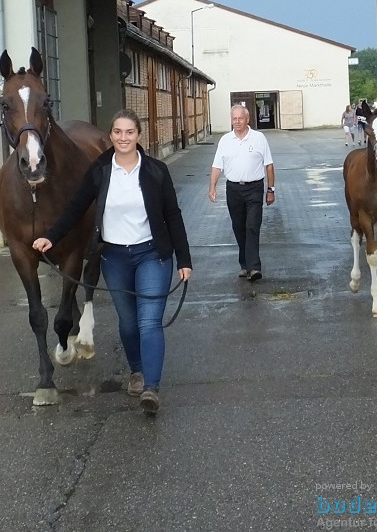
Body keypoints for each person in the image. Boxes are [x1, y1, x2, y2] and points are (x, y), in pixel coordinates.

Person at [32, 108, 192, 415]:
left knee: (148, 322)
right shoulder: (100, 170)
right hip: (115, 257)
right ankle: (137, 370)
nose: (123, 138)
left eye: (129, 132)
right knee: (129, 323)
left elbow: (173, 215)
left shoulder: (156, 171)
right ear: (111, 136)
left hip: (152, 255)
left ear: (139, 135)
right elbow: (76, 207)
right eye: (118, 132)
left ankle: (151, 388)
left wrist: (184, 260)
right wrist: (51, 236)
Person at [208, 104, 275, 281]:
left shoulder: (259, 138)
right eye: (234, 119)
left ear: (247, 119)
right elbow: (217, 166)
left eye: (240, 118)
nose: (237, 122)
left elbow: (269, 165)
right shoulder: (225, 140)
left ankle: (254, 267)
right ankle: (244, 264)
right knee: (239, 227)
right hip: (233, 189)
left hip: (254, 188)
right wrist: (212, 186)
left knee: (252, 226)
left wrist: (271, 190)